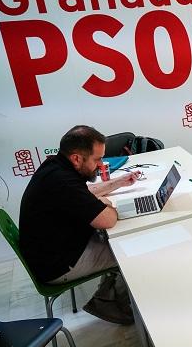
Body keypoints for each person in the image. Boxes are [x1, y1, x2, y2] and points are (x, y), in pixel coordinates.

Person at [19, 125, 141, 325]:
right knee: (130, 248)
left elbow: (84, 192)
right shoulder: (62, 181)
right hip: (58, 265)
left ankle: (107, 296)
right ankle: (110, 301)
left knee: (117, 239)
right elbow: (108, 219)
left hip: (55, 250)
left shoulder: (55, 166)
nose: (101, 165)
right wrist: (105, 204)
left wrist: (117, 183)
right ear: (77, 158)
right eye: (97, 159)